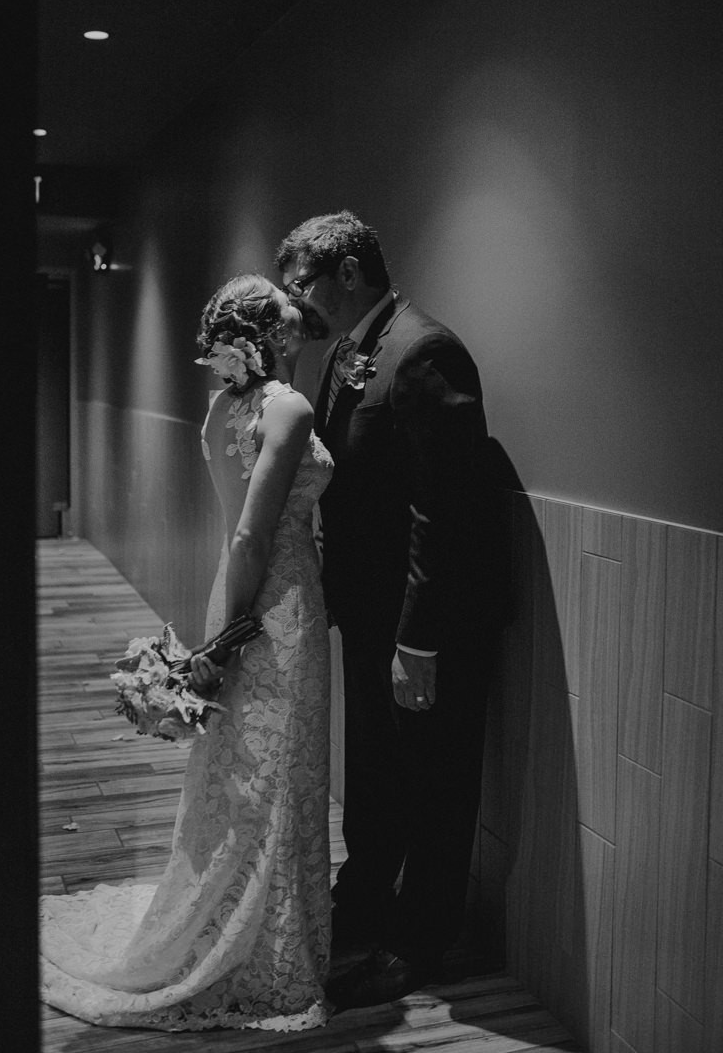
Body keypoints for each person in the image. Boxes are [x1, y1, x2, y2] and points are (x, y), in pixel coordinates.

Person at [40, 274, 335, 1032]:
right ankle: (265, 953)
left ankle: (223, 911)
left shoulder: (222, 409)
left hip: (232, 591)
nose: (301, 321)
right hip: (276, 605)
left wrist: (220, 622)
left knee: (240, 772)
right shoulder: (291, 409)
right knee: (277, 774)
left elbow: (232, 519)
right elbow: (253, 534)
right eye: (287, 318)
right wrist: (229, 641)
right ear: (268, 336)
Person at [276, 210, 505, 1009]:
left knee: (438, 779)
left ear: (347, 272)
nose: (294, 294)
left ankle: (422, 941)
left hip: (424, 624)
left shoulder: (426, 350)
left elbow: (440, 510)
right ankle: (364, 903)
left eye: (303, 278)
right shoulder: (346, 351)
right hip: (368, 611)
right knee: (375, 769)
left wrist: (420, 639)